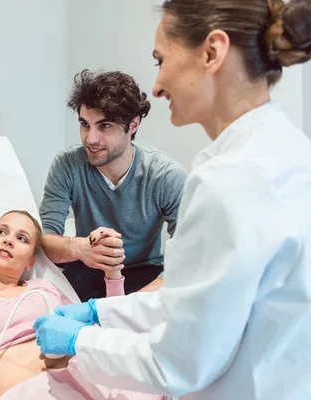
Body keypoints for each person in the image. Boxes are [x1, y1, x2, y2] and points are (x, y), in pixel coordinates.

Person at [33, 0, 311, 399]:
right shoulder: (284, 149)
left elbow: (177, 362)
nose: (158, 85)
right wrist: (100, 311)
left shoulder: (229, 181)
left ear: (212, 52)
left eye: (161, 60)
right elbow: (198, 300)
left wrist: (81, 341)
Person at [0, 210, 162, 400]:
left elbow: (108, 326)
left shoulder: (43, 288)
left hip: (92, 374)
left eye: (21, 238)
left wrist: (112, 273)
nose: (9, 240)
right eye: (1, 232)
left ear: (31, 262)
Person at [39, 69, 188, 300]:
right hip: (87, 267)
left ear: (134, 125)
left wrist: (142, 299)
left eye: (105, 126)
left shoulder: (165, 176)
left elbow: (190, 253)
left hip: (144, 272)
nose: (91, 139)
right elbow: (45, 239)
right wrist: (80, 249)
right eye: (85, 124)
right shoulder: (67, 165)